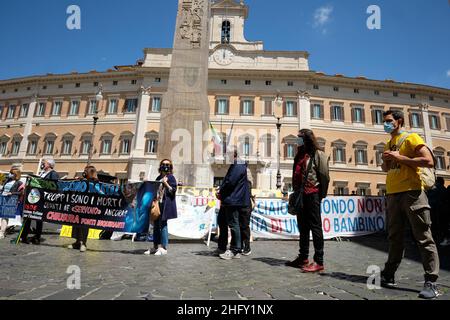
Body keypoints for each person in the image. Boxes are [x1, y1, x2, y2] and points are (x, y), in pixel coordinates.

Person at [380, 110, 440, 300]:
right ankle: (388, 274)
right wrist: (386, 162)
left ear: (399, 121)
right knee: (394, 237)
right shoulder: (389, 143)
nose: (386, 124)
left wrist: (400, 158)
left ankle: (431, 281)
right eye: (384, 122)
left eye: (389, 121)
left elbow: (429, 161)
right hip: (393, 193)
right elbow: (387, 169)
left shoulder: (411, 137)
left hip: (412, 193)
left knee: (423, 237)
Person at [286, 129, 330, 273]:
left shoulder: (318, 154)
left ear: (307, 139)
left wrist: (320, 195)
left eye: (299, 137)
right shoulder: (298, 154)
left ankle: (319, 261)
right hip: (301, 195)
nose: (297, 140)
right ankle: (303, 258)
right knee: (303, 227)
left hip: (312, 194)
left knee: (316, 227)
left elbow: (324, 176)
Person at [216, 149, 250, 260]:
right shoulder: (236, 165)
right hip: (231, 199)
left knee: (234, 224)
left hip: (233, 199)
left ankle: (235, 249)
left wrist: (220, 191)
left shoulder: (238, 165)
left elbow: (230, 182)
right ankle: (226, 247)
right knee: (225, 222)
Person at [21, 158, 60, 245]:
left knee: (39, 219)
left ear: (49, 165)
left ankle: (37, 237)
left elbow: (54, 187)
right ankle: (24, 235)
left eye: (44, 163)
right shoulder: (42, 173)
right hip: (34, 198)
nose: (42, 164)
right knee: (28, 216)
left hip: (42, 199)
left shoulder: (53, 174)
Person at [145, 159, 177, 256]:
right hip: (157, 204)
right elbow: (154, 189)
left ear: (170, 167)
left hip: (166, 204)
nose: (165, 166)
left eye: (167, 164)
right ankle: (155, 246)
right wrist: (147, 183)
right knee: (155, 225)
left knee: (163, 225)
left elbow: (173, 191)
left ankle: (163, 247)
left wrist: (166, 183)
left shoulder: (171, 177)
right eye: (163, 164)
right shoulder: (158, 177)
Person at [67, 166, 99, 252]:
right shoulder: (81, 181)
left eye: (85, 171)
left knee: (85, 225)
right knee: (76, 224)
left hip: (88, 207)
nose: (83, 173)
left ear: (88, 173)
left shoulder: (96, 182)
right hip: (78, 205)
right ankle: (77, 242)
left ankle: (83, 243)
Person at [0, 167, 24, 239]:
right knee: (1, 216)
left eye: (12, 173)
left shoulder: (19, 183)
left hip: (11, 200)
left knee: (5, 216)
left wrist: (11, 193)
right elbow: (3, 188)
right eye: (10, 172)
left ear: (16, 174)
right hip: (3, 198)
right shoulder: (7, 180)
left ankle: (2, 232)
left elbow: (21, 193)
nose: (10, 174)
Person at [239, 165, 254, 256]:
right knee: (241, 227)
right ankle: (240, 245)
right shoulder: (245, 183)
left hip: (245, 207)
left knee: (244, 227)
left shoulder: (246, 184)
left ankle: (247, 246)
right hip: (244, 206)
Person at [426, 177, 446, 242]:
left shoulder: (432, 188)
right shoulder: (443, 189)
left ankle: (434, 237)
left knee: (433, 224)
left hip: (432, 208)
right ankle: (441, 237)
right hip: (441, 209)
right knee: (441, 224)